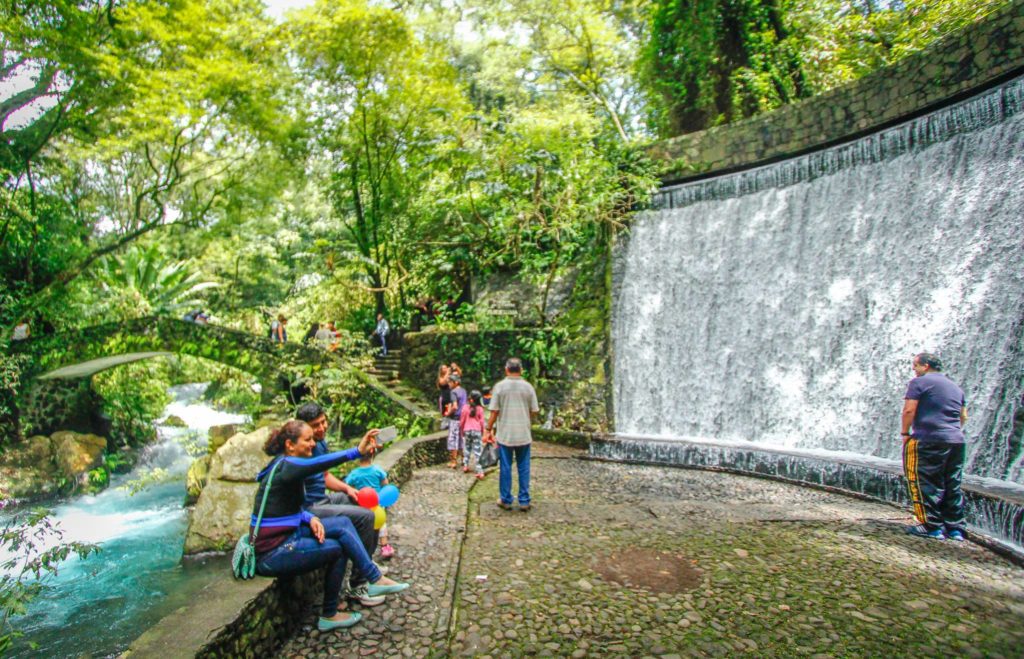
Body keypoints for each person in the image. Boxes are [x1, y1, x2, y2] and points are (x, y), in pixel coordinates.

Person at [250, 421, 410, 632]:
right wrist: (356, 452)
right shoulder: (289, 466)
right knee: (337, 548)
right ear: (290, 444)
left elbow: (283, 508)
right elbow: (321, 463)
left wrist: (309, 518)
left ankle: (369, 580)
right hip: (273, 552)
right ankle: (335, 609)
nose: (312, 444)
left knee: (343, 525)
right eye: (307, 440)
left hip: (289, 535)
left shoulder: (284, 465)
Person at [296, 403, 384, 606]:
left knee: (368, 503)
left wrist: (346, 489)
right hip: (312, 507)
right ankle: (358, 584)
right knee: (366, 517)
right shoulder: (302, 448)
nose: (322, 427)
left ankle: (365, 561)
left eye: (324, 421)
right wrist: (356, 451)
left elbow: (324, 475)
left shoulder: (319, 442)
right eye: (315, 425)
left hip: (325, 499)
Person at [901, 352, 969, 541]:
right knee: (951, 483)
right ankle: (955, 528)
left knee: (924, 481)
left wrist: (905, 434)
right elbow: (963, 416)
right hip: (956, 440)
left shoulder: (919, 383)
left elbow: (909, 410)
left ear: (926, 366)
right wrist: (950, 431)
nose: (914, 369)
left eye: (915, 365)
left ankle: (931, 526)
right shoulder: (956, 387)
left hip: (928, 438)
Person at [485, 358, 539, 511]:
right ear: (520, 370)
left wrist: (488, 429)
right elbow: (534, 411)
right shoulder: (528, 387)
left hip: (505, 434)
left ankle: (506, 499)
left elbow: (494, 411)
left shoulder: (500, 387)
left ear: (506, 369)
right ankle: (524, 500)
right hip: (523, 433)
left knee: (506, 467)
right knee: (524, 467)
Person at [345, 453, 395, 559]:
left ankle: (363, 549)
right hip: (377, 502)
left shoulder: (354, 473)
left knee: (365, 527)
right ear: (372, 456)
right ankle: (385, 546)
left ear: (358, 459)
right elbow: (386, 483)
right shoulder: (377, 470)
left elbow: (347, 486)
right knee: (381, 523)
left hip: (362, 504)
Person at [460, 390, 487, 480]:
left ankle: (465, 466)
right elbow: (482, 422)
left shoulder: (465, 408)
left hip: (467, 430)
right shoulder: (480, 409)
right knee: (478, 451)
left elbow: (462, 421)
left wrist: (462, 430)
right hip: (477, 431)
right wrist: (483, 432)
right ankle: (480, 470)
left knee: (467, 448)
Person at [445, 372, 467, 468]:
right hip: (463, 419)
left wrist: (447, 414)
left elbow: (454, 406)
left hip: (455, 418)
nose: (449, 384)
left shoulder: (453, 392)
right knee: (462, 439)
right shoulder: (463, 391)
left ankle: (453, 462)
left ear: (455, 382)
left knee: (453, 439)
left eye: (450, 382)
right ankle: (464, 460)